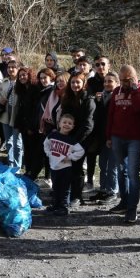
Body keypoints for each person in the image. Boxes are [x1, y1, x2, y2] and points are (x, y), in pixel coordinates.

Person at [106, 65, 140, 223]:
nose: (124, 82)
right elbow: (110, 114)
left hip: (135, 139)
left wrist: (133, 89)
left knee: (133, 173)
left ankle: (132, 208)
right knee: (121, 170)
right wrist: (109, 136)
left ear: (135, 76)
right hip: (117, 136)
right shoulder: (116, 91)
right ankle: (124, 202)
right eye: (122, 79)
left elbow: (139, 108)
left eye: (128, 78)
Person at [60, 72, 95, 206]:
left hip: (82, 139)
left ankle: (77, 196)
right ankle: (65, 193)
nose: (75, 85)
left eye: (78, 82)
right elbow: (64, 116)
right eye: (73, 82)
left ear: (83, 83)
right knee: (65, 165)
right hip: (67, 136)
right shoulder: (67, 97)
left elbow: (88, 124)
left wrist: (75, 141)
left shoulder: (88, 100)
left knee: (77, 167)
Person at [43, 113, 85, 216]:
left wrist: (70, 157)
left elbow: (81, 151)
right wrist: (49, 153)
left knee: (65, 188)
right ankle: (56, 205)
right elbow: (46, 144)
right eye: (64, 122)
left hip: (65, 168)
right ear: (59, 123)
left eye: (70, 123)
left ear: (73, 126)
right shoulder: (52, 135)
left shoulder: (72, 140)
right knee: (55, 187)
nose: (67, 125)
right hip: (54, 167)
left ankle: (64, 207)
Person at [88, 72, 120, 204]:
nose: (107, 84)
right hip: (102, 136)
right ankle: (103, 189)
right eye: (105, 81)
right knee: (102, 165)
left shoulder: (118, 97)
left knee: (112, 166)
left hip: (113, 136)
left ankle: (112, 191)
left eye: (110, 81)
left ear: (117, 83)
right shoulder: (100, 97)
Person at [19, 67, 54, 181]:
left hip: (49, 127)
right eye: (41, 78)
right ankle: (34, 174)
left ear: (51, 77)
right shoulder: (42, 91)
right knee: (40, 152)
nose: (43, 80)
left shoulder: (53, 91)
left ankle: (46, 177)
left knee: (46, 153)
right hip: (40, 126)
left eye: (45, 78)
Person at [0, 60, 22, 168]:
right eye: (9, 67)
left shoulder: (22, 81)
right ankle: (10, 163)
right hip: (5, 114)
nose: (11, 69)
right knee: (9, 141)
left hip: (17, 115)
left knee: (17, 142)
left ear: (18, 69)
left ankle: (17, 165)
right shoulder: (4, 81)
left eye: (13, 67)